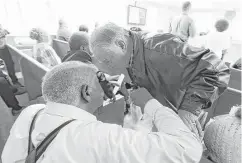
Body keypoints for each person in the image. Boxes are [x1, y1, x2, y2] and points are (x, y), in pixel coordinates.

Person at [2, 61, 203, 163]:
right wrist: (150, 103)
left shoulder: (31, 111)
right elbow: (188, 149)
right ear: (86, 92)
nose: (105, 89)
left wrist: (132, 130)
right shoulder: (97, 136)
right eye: (101, 83)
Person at [90, 22, 230, 141]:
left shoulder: (159, 49)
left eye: (108, 61)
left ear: (121, 44)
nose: (108, 67)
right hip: (164, 117)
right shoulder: (130, 53)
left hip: (183, 115)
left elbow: (217, 69)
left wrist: (189, 110)